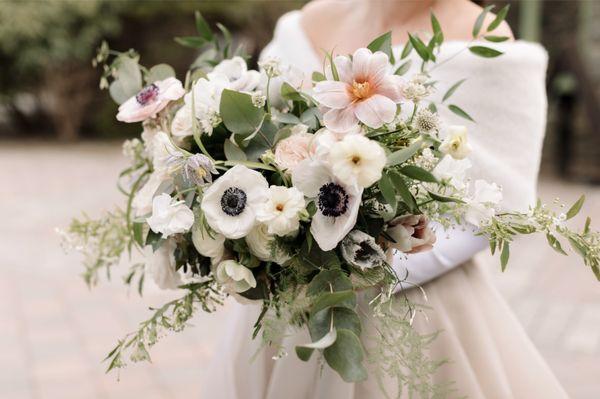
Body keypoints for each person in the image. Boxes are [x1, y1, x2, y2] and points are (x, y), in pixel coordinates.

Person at [200, 1, 569, 397]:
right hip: (286, 296)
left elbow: (497, 209)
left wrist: (368, 265)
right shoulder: (311, 20)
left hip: (409, 307)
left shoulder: (482, 37)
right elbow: (255, 142)